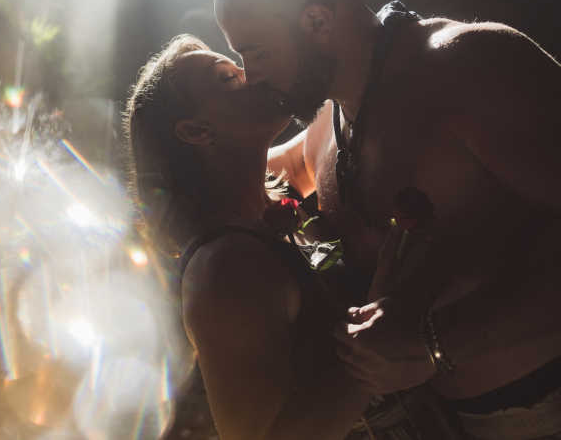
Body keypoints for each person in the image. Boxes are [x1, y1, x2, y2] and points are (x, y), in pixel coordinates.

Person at [215, 0, 561, 437]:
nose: (251, 75)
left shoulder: (465, 66)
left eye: (255, 51)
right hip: (457, 424)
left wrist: (436, 342)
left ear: (316, 22)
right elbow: (236, 176)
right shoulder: (326, 131)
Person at [124, 35, 461, 440]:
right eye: (228, 77)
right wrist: (385, 337)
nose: (253, 74)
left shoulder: (276, 199)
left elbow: (337, 116)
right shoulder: (226, 266)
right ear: (197, 130)